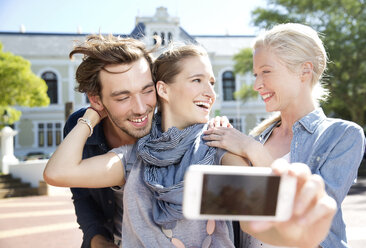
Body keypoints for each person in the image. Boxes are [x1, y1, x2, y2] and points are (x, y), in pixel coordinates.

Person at [44, 43, 336, 247]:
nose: (210, 92)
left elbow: (251, 219)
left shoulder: (218, 148)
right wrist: (93, 113)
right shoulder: (134, 157)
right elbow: (59, 173)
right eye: (197, 80)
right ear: (163, 89)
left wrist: (299, 236)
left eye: (211, 82)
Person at [203, 23, 366, 248]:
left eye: (266, 72)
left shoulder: (342, 136)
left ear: (304, 71)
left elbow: (310, 217)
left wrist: (254, 151)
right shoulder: (256, 137)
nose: (257, 85)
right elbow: (235, 214)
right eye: (255, 75)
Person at [64, 34, 157, 248]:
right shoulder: (80, 127)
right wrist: (97, 241)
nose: (141, 108)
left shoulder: (173, 127)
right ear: (96, 99)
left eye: (147, 90)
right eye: (123, 97)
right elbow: (82, 195)